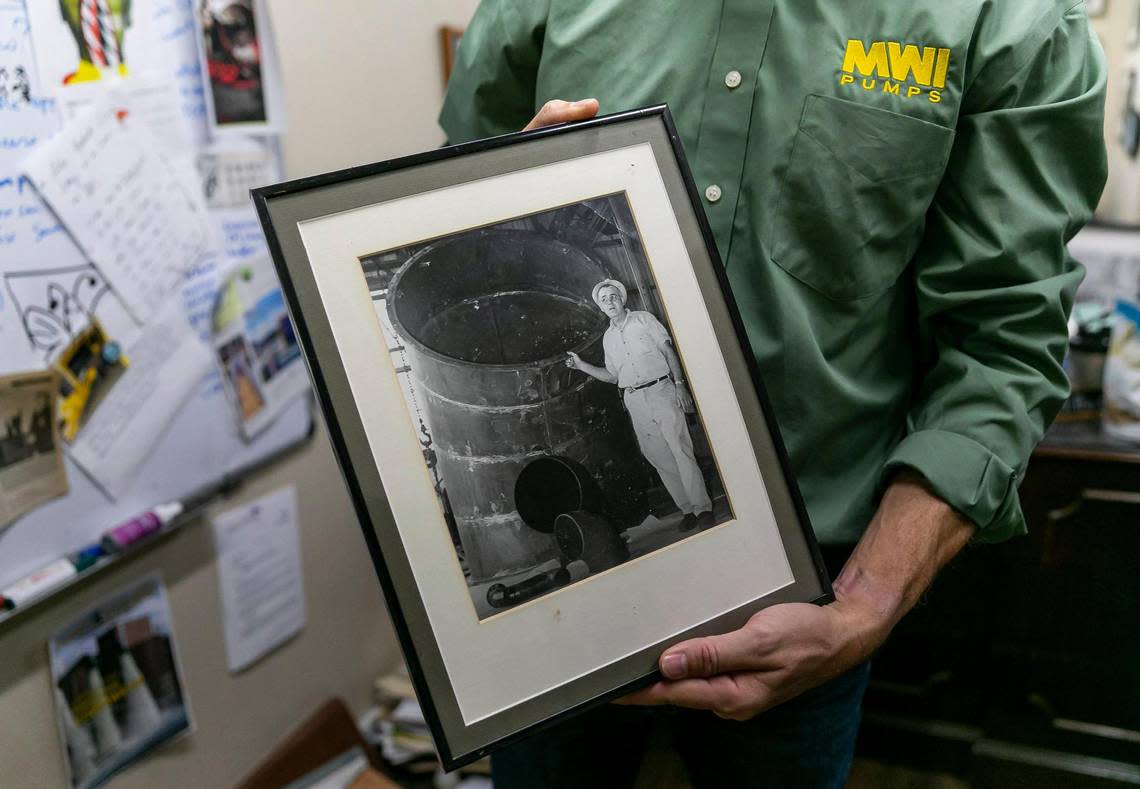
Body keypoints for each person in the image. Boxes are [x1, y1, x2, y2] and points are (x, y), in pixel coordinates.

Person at [440, 2, 1108, 786]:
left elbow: (1003, 343)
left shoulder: (1013, 20)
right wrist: (484, 209)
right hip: (557, 612)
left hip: (804, 600)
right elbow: (443, 212)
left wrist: (863, 605)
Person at [567, 278, 713, 531]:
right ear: (600, 307)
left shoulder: (644, 320)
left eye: (613, 296)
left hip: (661, 390)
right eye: (604, 300)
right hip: (634, 399)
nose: (610, 302)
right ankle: (687, 509)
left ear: (622, 299)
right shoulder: (608, 339)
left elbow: (668, 351)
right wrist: (582, 366)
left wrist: (679, 384)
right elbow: (612, 376)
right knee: (659, 457)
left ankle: (703, 509)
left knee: (680, 449)